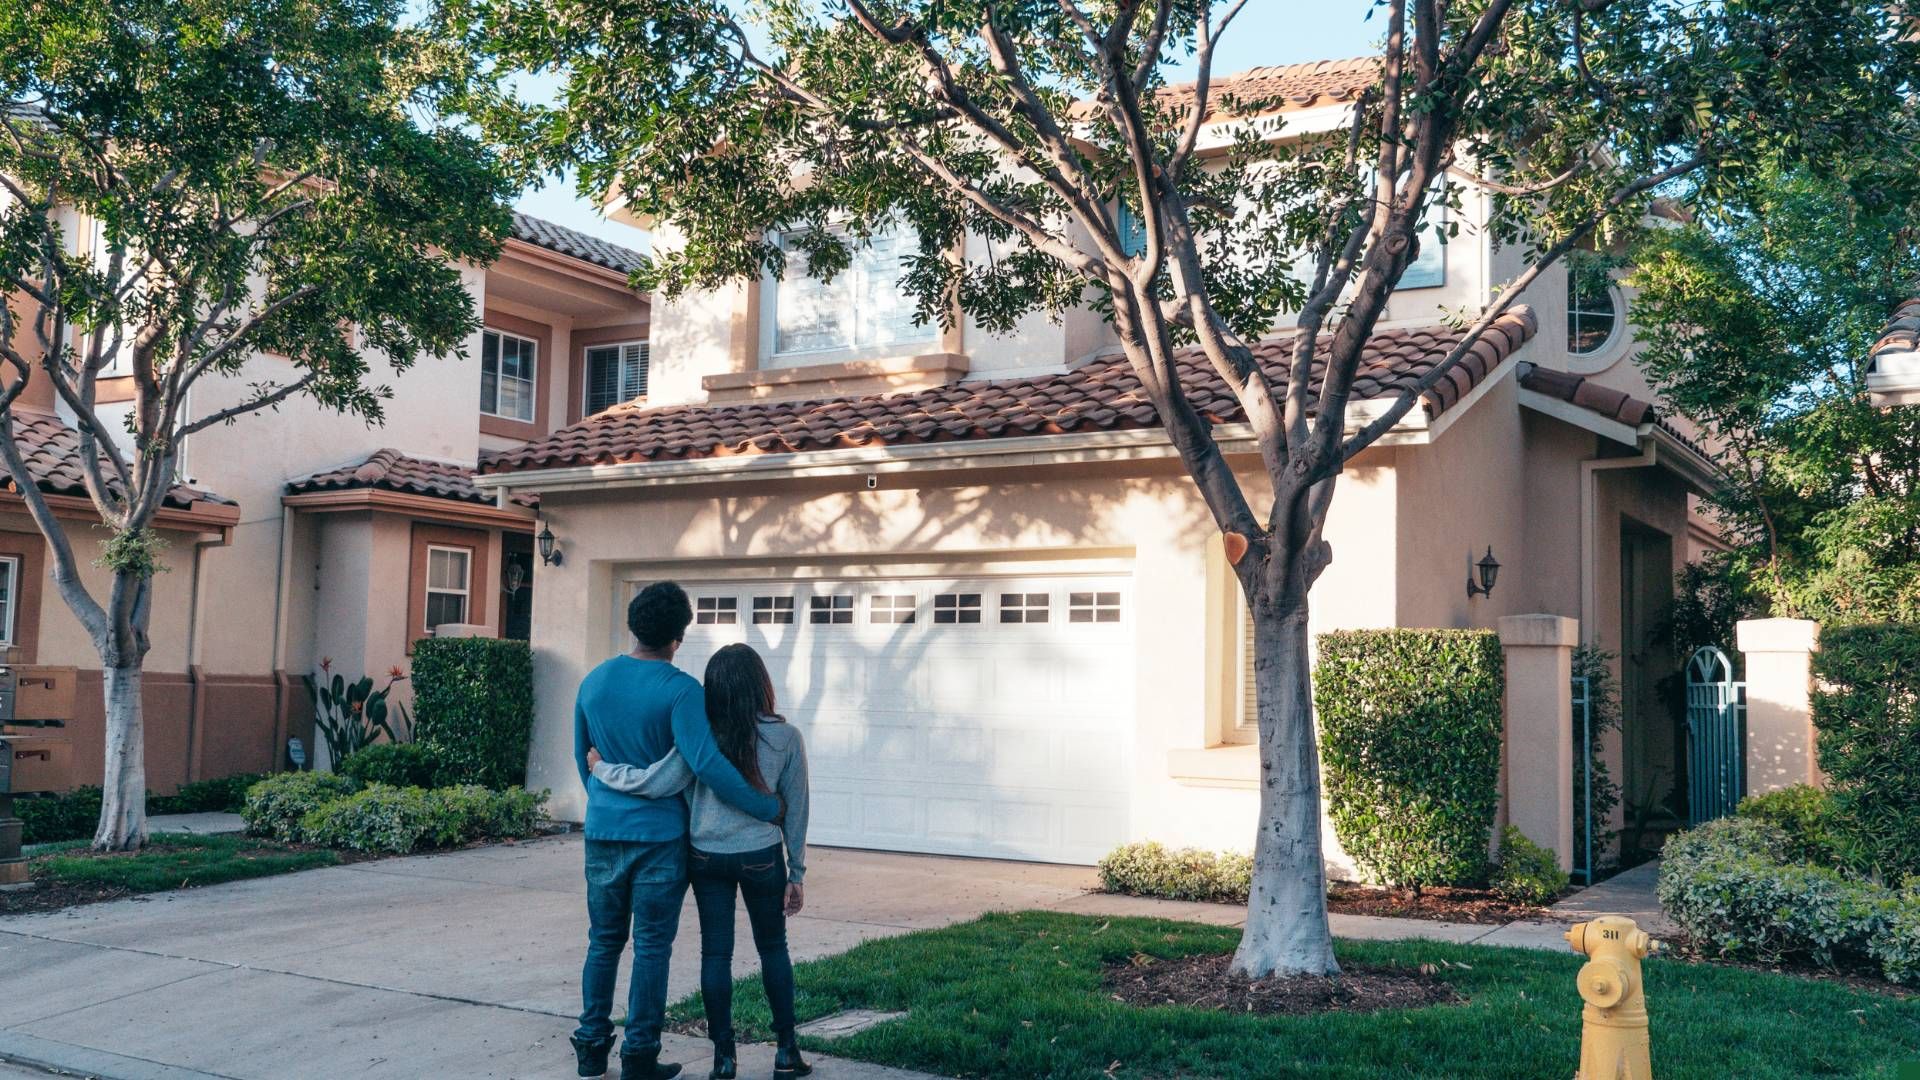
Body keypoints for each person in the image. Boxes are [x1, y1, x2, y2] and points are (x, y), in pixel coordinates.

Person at [571, 583, 783, 1080]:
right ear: (678, 636)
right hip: (659, 839)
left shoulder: (594, 681)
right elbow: (707, 763)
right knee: (650, 947)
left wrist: (606, 803)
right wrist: (764, 805)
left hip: (603, 830)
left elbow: (582, 758)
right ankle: (639, 1055)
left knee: (603, 941)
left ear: (634, 626)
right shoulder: (682, 690)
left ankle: (590, 1046)